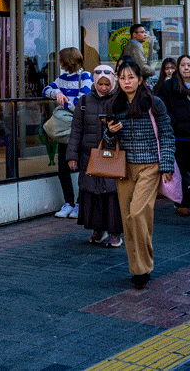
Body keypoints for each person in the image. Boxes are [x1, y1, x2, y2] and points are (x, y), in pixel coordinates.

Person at [102, 60, 175, 289]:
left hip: (150, 166)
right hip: (124, 168)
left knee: (137, 214)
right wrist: (110, 132)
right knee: (129, 220)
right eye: (122, 78)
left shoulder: (154, 102)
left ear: (140, 79)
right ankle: (137, 268)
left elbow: (167, 134)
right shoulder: (115, 104)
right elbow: (108, 141)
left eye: (131, 77)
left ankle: (144, 267)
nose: (127, 82)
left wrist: (167, 164)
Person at [67, 64, 123, 247]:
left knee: (112, 195)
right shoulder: (83, 102)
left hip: (113, 157)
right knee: (92, 195)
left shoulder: (121, 101)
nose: (104, 87)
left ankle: (115, 232)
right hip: (88, 157)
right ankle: (98, 230)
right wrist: (71, 155)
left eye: (107, 84)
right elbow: (76, 131)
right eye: (101, 84)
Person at [43, 47, 93, 218]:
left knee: (81, 167)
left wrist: (63, 102)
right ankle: (69, 202)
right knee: (63, 167)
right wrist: (57, 92)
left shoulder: (85, 77)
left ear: (66, 61)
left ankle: (80, 203)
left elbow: (81, 103)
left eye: (61, 60)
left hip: (79, 129)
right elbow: (46, 90)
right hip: (66, 129)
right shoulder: (61, 79)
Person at [157, 54, 190, 217]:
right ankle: (182, 202)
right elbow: (162, 108)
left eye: (189, 65)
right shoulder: (168, 86)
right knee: (180, 171)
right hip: (177, 136)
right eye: (183, 65)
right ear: (178, 68)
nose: (186, 68)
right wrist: (173, 121)